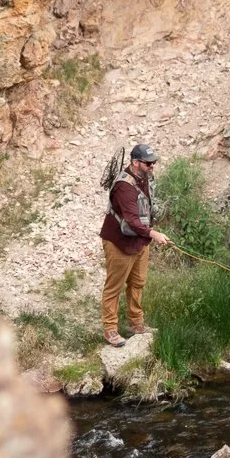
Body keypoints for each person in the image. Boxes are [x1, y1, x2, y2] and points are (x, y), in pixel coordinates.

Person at [99, 142, 168, 346]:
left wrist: (149, 233)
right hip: (119, 242)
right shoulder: (124, 187)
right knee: (114, 287)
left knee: (138, 283)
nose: (152, 166)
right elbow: (132, 221)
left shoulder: (144, 177)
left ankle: (136, 323)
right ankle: (110, 329)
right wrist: (154, 233)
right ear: (135, 162)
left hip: (139, 241)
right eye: (148, 163)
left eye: (153, 162)